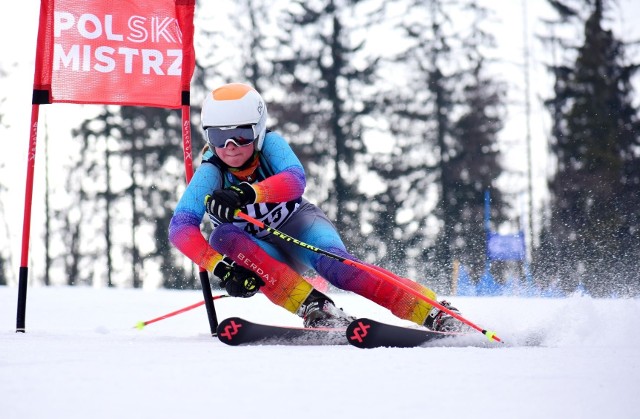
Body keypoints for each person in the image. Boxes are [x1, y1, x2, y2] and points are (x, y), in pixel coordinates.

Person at [169, 82, 463, 330]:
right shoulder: (210, 173)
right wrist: (223, 269)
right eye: (219, 136)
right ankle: (315, 308)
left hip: (298, 227)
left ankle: (432, 310)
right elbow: (180, 228)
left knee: (341, 271)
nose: (230, 145)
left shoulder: (272, 145)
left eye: (241, 135)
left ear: (258, 131)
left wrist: (248, 193)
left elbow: (295, 181)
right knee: (221, 236)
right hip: (263, 253)